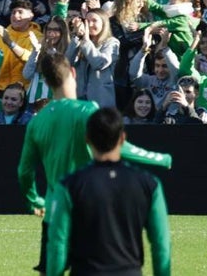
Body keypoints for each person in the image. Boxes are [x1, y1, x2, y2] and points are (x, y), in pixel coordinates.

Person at [17, 53, 172, 275]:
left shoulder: (37, 121)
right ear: (72, 73)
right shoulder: (87, 110)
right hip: (88, 209)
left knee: (51, 268)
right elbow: (118, 147)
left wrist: (33, 200)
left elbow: (25, 171)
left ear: (47, 82)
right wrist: (160, 158)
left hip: (54, 210)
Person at [47, 108, 171, 276]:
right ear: (122, 139)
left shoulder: (69, 185)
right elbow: (161, 245)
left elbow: (57, 244)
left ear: (87, 139)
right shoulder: (150, 184)